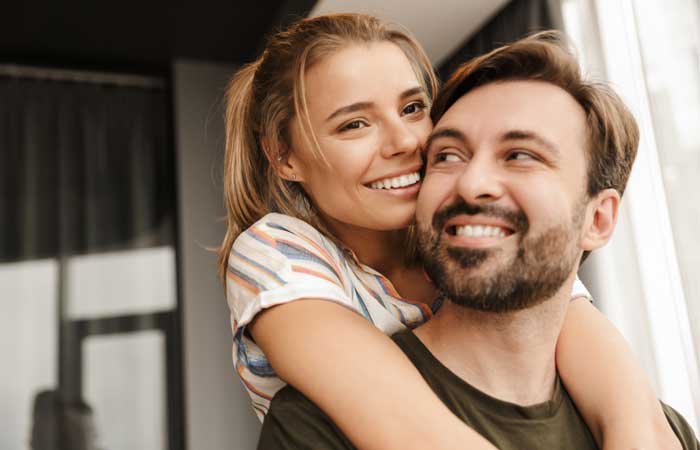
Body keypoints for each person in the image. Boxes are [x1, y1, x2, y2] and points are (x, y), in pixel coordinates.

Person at [220, 14, 680, 450]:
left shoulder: (465, 232)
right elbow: (416, 432)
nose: (404, 141)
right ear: (284, 157)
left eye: (413, 107)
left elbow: (627, 405)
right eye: (355, 124)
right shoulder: (275, 253)